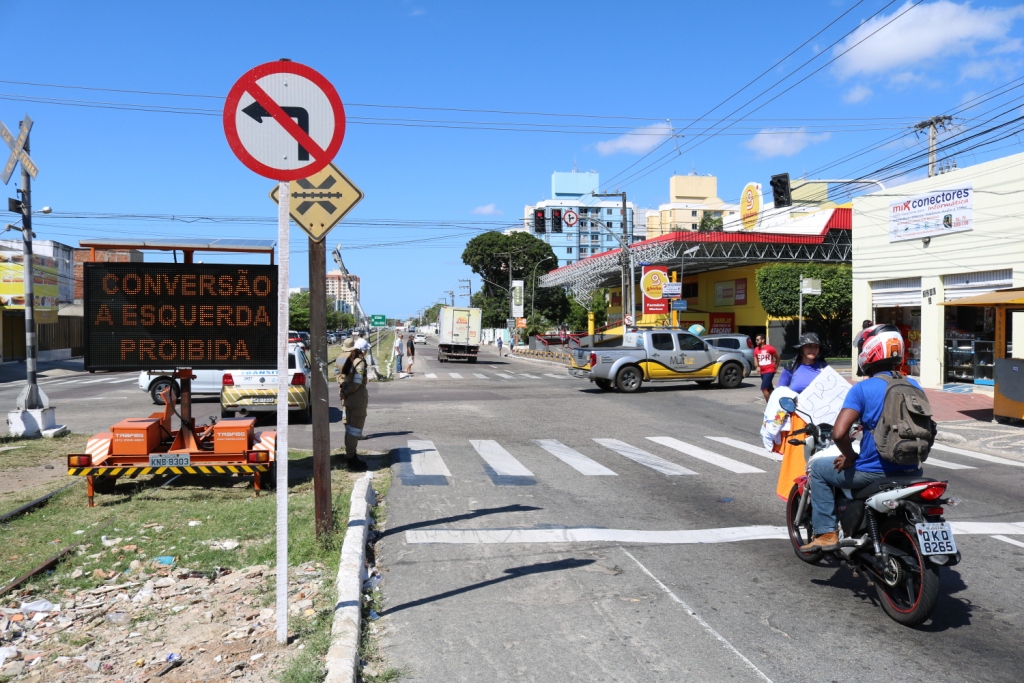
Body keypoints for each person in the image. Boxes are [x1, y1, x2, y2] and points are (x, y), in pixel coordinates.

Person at [800, 325, 923, 551]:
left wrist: (850, 456)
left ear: (870, 352)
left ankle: (826, 533)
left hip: (873, 473)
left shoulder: (863, 388)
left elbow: (839, 434)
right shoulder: (914, 385)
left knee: (818, 470)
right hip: (913, 470)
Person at [337, 337, 369, 471]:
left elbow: (340, 376)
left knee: (349, 428)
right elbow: (357, 384)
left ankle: (350, 454)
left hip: (347, 399)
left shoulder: (345, 359)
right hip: (357, 400)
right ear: (363, 350)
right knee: (355, 430)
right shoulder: (359, 362)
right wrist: (347, 392)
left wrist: (343, 391)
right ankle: (351, 458)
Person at [753, 334, 779, 402]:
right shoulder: (756, 349)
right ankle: (777, 402)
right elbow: (755, 360)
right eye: (756, 340)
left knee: (764, 388)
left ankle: (769, 405)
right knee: (770, 389)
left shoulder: (770, 348)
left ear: (763, 340)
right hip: (762, 372)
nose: (756, 341)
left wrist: (776, 366)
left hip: (770, 370)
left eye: (758, 340)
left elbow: (778, 357)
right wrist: (757, 366)